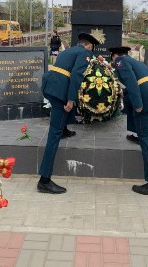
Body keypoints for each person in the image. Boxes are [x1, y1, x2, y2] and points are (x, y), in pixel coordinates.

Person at [38, 32, 100, 194]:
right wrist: (71, 99)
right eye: (92, 48)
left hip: (49, 85)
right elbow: (76, 76)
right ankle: (44, 180)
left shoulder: (68, 50)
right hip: (60, 90)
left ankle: (64, 130)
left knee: (63, 115)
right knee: (54, 134)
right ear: (89, 46)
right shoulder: (85, 53)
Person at [109, 46, 148, 197]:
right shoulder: (133, 61)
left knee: (147, 141)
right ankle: (135, 134)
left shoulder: (120, 61)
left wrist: (138, 104)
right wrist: (124, 93)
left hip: (145, 100)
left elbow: (131, 82)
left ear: (115, 56)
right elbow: (141, 81)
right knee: (144, 132)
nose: (113, 63)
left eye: (112, 59)